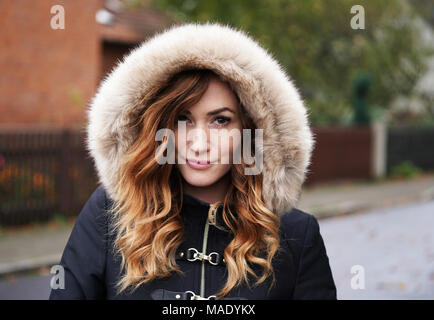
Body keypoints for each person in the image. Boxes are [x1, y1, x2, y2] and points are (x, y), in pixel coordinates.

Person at [49, 22, 337, 300]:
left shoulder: (296, 235)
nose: (199, 145)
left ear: (250, 132)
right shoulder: (109, 216)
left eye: (220, 121)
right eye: (182, 119)